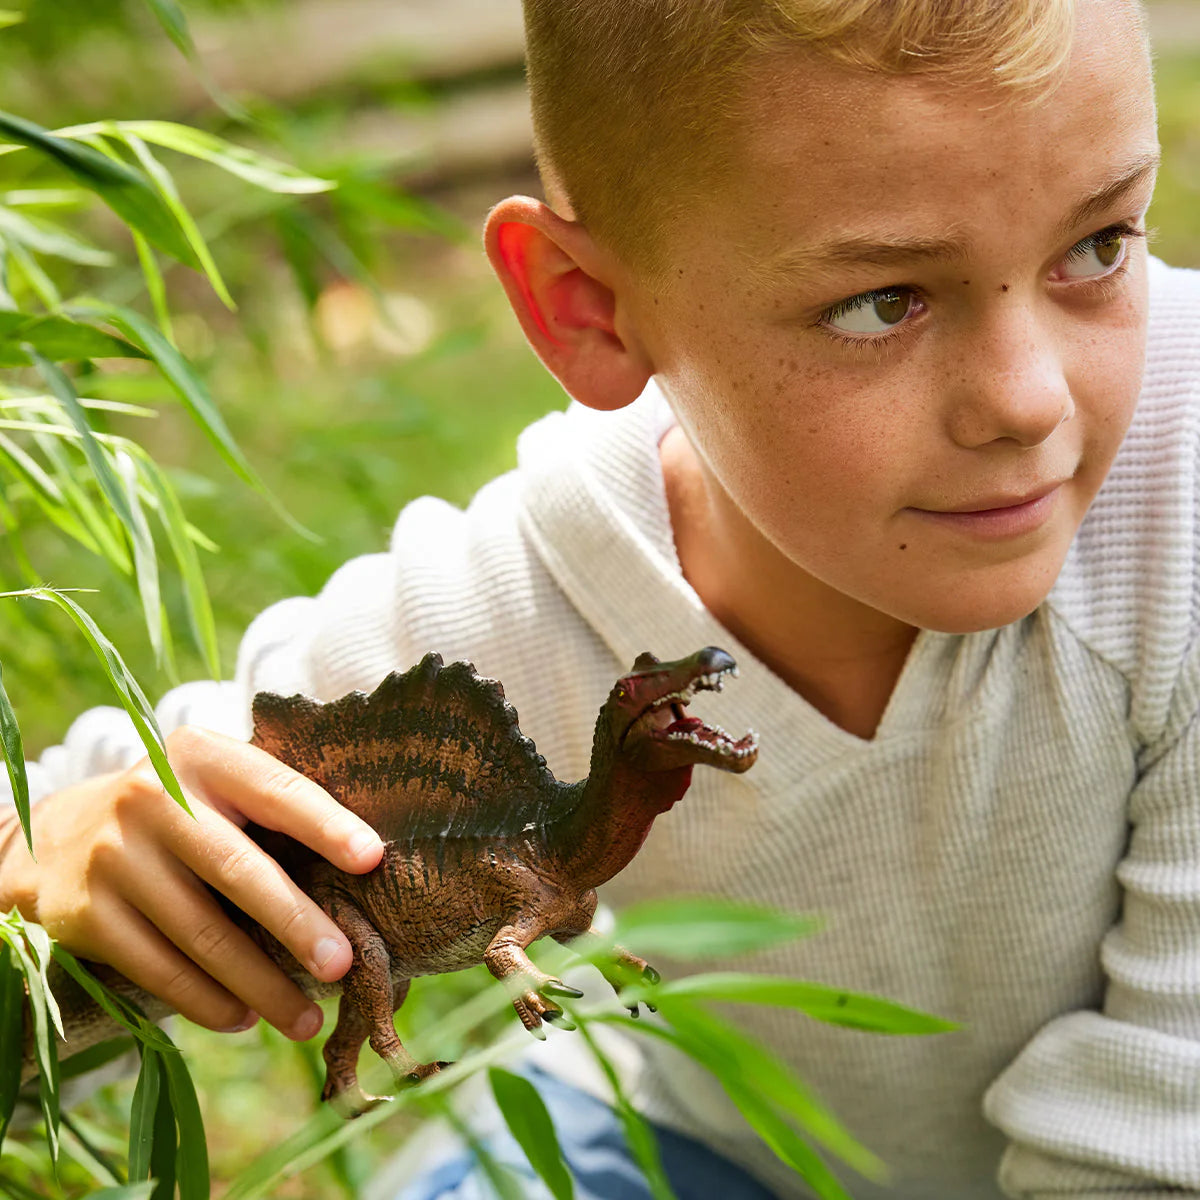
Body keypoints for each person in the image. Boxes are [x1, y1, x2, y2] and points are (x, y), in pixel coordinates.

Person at [2, 0, 1197, 1195]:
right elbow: (82, 880)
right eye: (882, 302)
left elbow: (1157, 1142)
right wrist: (45, 885)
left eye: (1098, 246)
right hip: (699, 1139)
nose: (1030, 401)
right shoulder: (511, 610)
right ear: (587, 308)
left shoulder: (1177, 503)